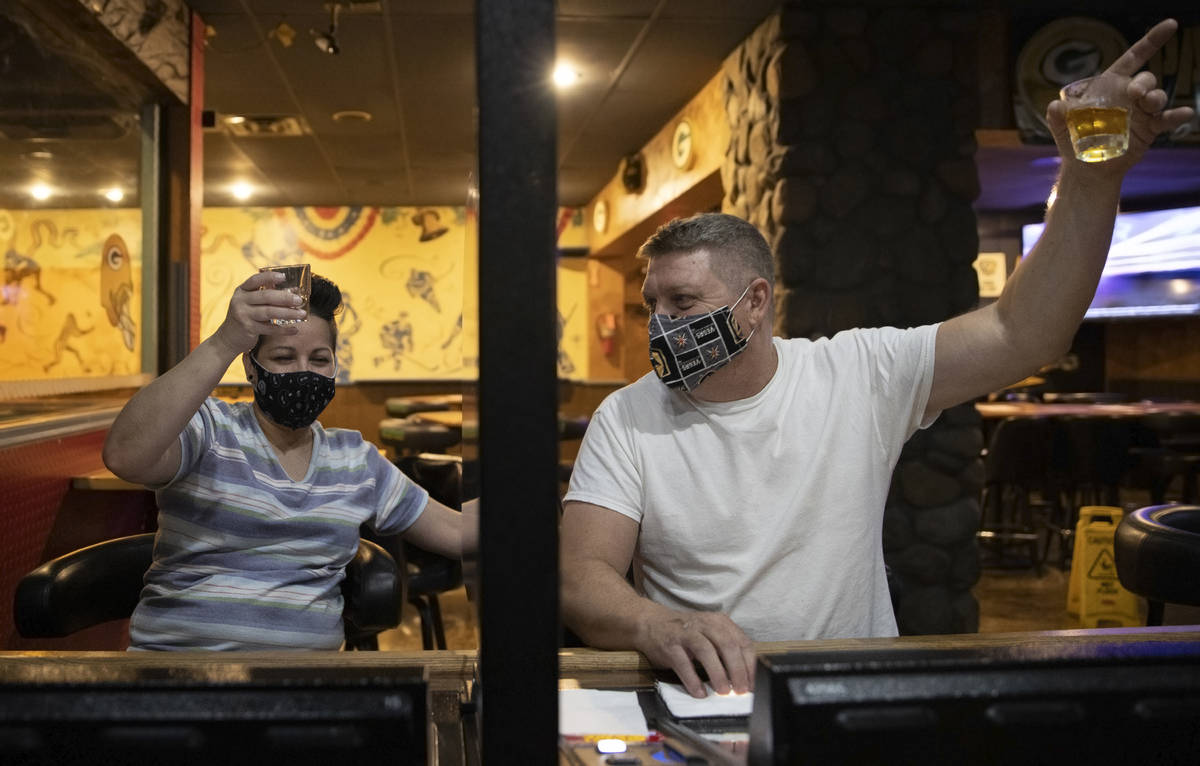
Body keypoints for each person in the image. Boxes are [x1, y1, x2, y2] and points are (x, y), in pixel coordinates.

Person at [560, 19, 1196, 697]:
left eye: (682, 303)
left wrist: (1089, 174)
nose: (660, 325)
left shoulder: (856, 374)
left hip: (849, 692)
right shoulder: (627, 416)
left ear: (754, 302)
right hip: (702, 694)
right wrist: (654, 624)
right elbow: (583, 574)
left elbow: (1023, 333)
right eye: (650, 304)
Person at [103, 270, 462, 650]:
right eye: (284, 356)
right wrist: (225, 341)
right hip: (179, 680)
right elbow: (125, 456)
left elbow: (457, 533)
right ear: (251, 368)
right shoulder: (209, 429)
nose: (304, 371)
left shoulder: (356, 461)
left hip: (304, 691)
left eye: (320, 358)